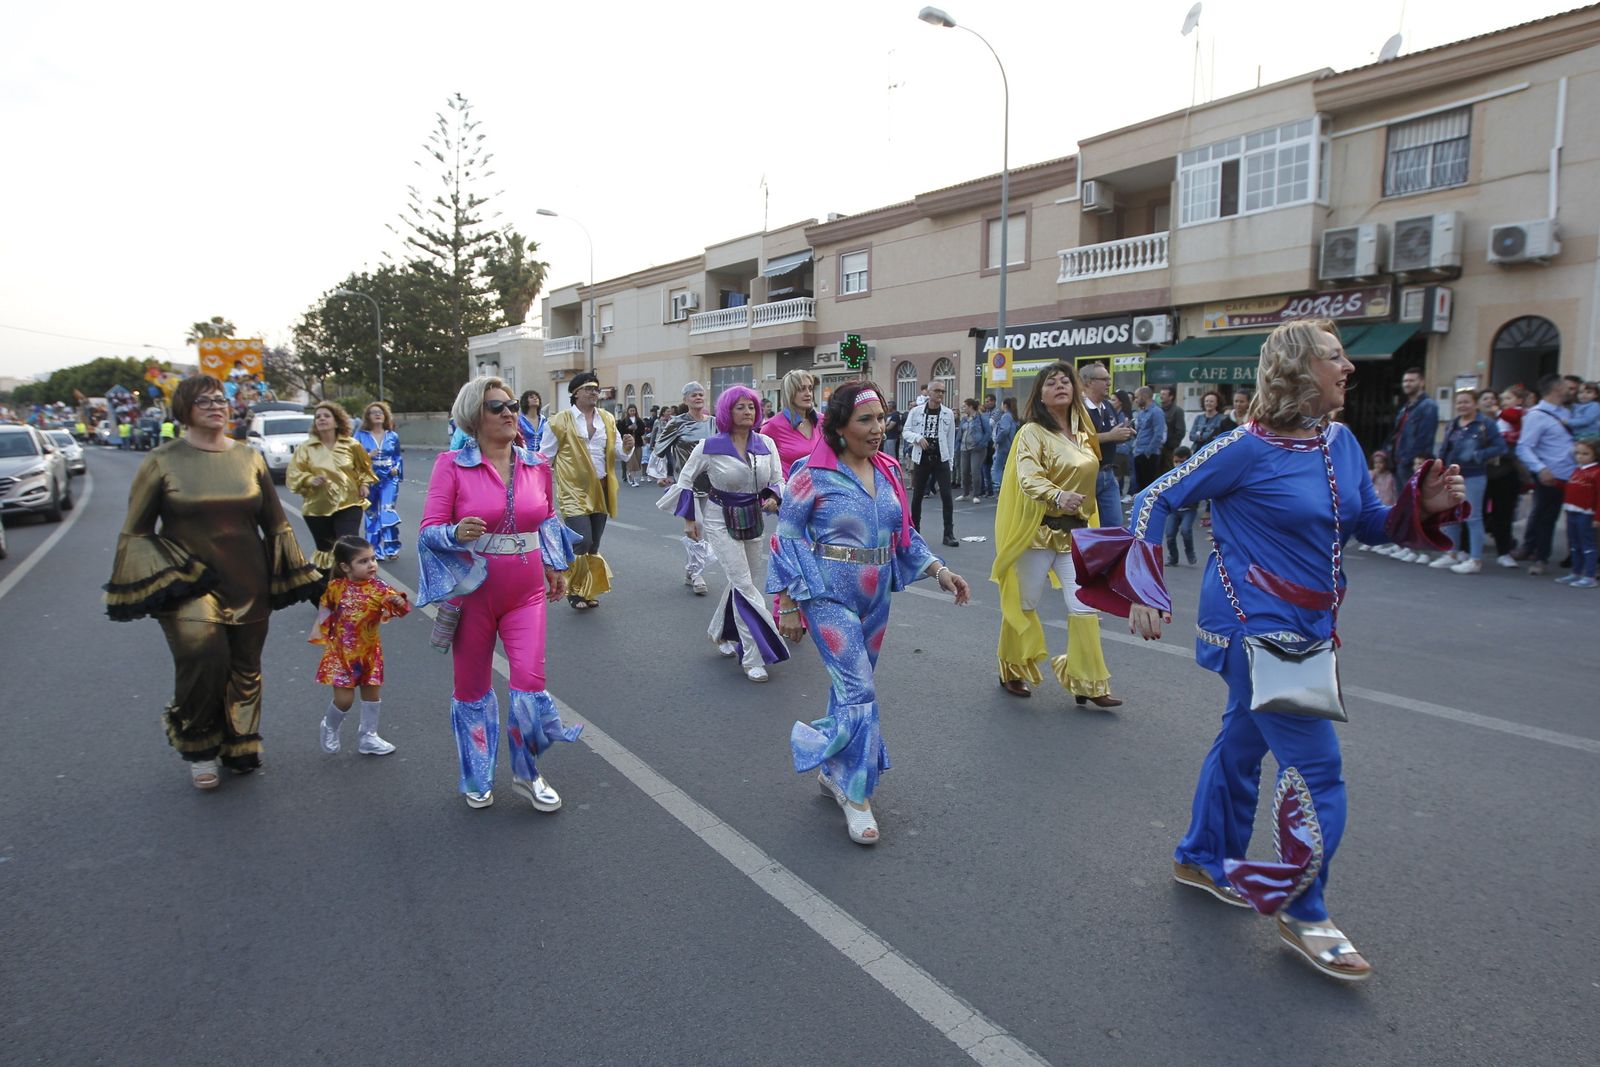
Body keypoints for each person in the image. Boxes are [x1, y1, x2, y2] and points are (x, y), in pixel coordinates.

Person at [1074, 319, 1465, 983]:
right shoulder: (1243, 449)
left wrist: (1415, 508)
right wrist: (1142, 584)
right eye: (1335, 358)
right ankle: (1304, 910)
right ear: (1296, 370)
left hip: (1310, 626)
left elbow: (1364, 523)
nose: (1349, 369)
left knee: (1241, 744)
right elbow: (1154, 499)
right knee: (1319, 771)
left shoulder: (1339, 441)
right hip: (1259, 631)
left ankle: (1201, 855)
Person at [769, 381, 971, 845]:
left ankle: (833, 769)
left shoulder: (889, 470)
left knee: (849, 690)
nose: (879, 429)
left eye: (882, 419)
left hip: (877, 596)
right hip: (826, 594)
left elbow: (906, 535)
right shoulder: (810, 473)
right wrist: (789, 603)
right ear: (839, 426)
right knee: (860, 689)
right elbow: (787, 537)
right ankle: (856, 794)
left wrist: (940, 570)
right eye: (866, 420)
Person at [103, 375, 320, 788]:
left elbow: (275, 524)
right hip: (190, 582)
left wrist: (296, 576)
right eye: (204, 401)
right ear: (184, 409)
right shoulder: (161, 460)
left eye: (221, 399)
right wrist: (167, 575)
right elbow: (137, 531)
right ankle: (200, 746)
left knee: (245, 666)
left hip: (248, 577)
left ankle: (240, 744)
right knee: (203, 658)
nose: (216, 406)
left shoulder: (248, 457)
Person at [419, 377, 583, 810]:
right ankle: (476, 773)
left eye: (512, 404)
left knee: (530, 685)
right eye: (497, 407)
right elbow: (428, 531)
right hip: (473, 593)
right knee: (471, 689)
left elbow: (547, 519)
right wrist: (454, 532)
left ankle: (528, 773)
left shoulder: (536, 465)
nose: (510, 411)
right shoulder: (451, 465)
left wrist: (554, 566)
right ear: (474, 416)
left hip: (526, 591)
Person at [991, 361, 1120, 706]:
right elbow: (1027, 477)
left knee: (1084, 606)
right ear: (1041, 395)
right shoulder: (1031, 433)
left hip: (1075, 536)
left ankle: (1087, 682)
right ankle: (1013, 670)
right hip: (1038, 533)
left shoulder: (1083, 431)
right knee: (1026, 602)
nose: (1060, 385)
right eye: (1052, 383)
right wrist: (1058, 495)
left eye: (1066, 380)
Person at [660, 386, 788, 682]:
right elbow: (685, 481)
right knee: (744, 585)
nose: (747, 412)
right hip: (719, 518)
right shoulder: (709, 445)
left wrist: (774, 497)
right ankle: (754, 653)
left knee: (741, 581)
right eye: (740, 407)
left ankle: (720, 632)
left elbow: (779, 479)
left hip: (753, 517)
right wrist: (690, 518)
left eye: (752, 407)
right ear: (727, 412)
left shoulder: (766, 443)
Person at [537, 372, 634, 609]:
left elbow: (619, 452)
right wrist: (535, 489)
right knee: (582, 540)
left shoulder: (607, 419)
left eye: (596, 389)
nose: (594, 392)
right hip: (573, 492)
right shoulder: (559, 421)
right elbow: (544, 457)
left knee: (594, 544)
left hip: (601, 489)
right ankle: (574, 591)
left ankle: (588, 590)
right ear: (575, 393)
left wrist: (628, 447)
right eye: (588, 388)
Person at [311, 535, 410, 755]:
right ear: (345, 567)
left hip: (369, 654)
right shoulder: (336, 587)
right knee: (344, 700)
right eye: (363, 561)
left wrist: (399, 602)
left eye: (373, 559)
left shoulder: (380, 588)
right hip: (342, 655)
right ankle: (329, 725)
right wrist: (326, 633)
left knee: (372, 697)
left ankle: (369, 737)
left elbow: (400, 608)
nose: (372, 564)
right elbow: (325, 610)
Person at [287, 402, 377, 575]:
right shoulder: (305, 448)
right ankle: (327, 591)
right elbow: (293, 474)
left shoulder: (351, 445)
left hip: (349, 504)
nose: (321, 419)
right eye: (318, 417)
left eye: (326, 416)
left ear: (337, 421)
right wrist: (309, 479)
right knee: (326, 550)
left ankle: (355, 592)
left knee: (347, 547)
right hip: (317, 508)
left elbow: (364, 468)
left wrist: (364, 484)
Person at [648, 382, 717, 594]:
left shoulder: (714, 423)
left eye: (701, 395)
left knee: (704, 528)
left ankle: (691, 569)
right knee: (697, 525)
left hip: (711, 483)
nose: (698, 398)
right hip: (687, 484)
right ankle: (697, 574)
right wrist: (659, 474)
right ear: (685, 400)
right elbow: (658, 449)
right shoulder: (677, 423)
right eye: (694, 395)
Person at [1430, 389, 1507, 574]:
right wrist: (1439, 469)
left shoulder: (1485, 424)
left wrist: (1479, 455)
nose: (1462, 406)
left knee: (1473, 517)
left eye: (1466, 402)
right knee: (1451, 515)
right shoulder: (1453, 425)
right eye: (1459, 402)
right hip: (1452, 474)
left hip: (1474, 475)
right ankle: (1452, 553)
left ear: (1475, 404)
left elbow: (1500, 447)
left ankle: (1475, 559)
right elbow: (1444, 448)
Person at [1515, 374, 1577, 576]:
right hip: (1552, 475)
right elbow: (1524, 447)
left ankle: (1578, 559)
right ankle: (1541, 557)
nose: (1569, 389)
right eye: (1564, 386)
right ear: (1555, 389)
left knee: (1577, 517)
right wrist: (1540, 469)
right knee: (1546, 517)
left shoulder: (1566, 412)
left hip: (1574, 474)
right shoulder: (1536, 415)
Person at [905, 382, 959, 548]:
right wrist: (917, 438)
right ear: (928, 392)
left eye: (943, 391)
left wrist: (950, 463)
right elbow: (905, 431)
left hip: (941, 457)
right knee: (917, 496)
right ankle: (915, 533)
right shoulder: (916, 412)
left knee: (947, 496)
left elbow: (950, 440)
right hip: (922, 457)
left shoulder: (948, 413)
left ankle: (948, 534)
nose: (940, 394)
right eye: (937, 391)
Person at [1081, 364, 1135, 529]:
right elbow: (1076, 440)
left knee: (1114, 528)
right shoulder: (1078, 409)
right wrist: (1111, 436)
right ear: (1089, 382)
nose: (1109, 383)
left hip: (1108, 474)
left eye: (1109, 379)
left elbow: (1110, 436)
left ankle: (1108, 555)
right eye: (1104, 379)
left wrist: (1122, 435)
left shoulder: (1108, 406)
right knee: (1082, 528)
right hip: (1086, 476)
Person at [355, 401, 404, 561]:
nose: (377, 414)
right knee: (372, 515)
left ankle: (391, 548)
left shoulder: (392, 435)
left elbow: (397, 456)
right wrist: (368, 457)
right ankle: (373, 550)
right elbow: (352, 458)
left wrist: (396, 467)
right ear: (368, 417)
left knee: (387, 511)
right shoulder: (360, 436)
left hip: (389, 478)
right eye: (373, 412)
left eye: (380, 412)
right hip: (369, 479)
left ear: (385, 416)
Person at [1556, 438, 1599, 587]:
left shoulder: (1596, 472)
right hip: (1571, 511)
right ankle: (1576, 572)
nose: (1580, 456)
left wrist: (1597, 517)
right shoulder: (1577, 470)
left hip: (1586, 513)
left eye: (1585, 453)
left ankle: (1590, 575)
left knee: (1588, 545)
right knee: (1574, 544)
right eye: (1578, 453)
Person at [760, 369, 820, 473]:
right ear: (790, 393)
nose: (808, 394)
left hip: (823, 487)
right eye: (802, 389)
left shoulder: (823, 421)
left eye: (810, 389)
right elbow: (762, 469)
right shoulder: (772, 427)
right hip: (788, 487)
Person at [1164, 446, 1199, 565]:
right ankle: (1173, 557)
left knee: (1185, 530)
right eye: (1176, 461)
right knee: (1169, 534)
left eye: (1182, 461)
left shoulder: (1195, 475)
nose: (1178, 464)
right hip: (1174, 510)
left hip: (1189, 509)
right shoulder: (1170, 475)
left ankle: (1190, 552)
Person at [1130, 386, 1167, 492]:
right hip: (1138, 451)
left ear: (1144, 396)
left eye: (1137, 397)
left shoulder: (1156, 412)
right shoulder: (1141, 412)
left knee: (1149, 487)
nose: (1135, 400)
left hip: (1149, 454)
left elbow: (1158, 434)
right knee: (1140, 486)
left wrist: (1148, 453)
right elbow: (1142, 432)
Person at [957, 398, 991, 502]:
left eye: (965, 406)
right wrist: (957, 445)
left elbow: (988, 432)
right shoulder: (964, 419)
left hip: (976, 448)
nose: (964, 408)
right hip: (964, 448)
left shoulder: (981, 418)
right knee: (964, 471)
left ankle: (976, 495)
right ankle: (965, 493)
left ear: (971, 407)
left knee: (975, 470)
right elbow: (960, 433)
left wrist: (981, 444)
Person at [989, 396, 1018, 504]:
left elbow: (1004, 430)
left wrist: (997, 440)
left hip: (1003, 446)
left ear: (1005, 405)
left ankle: (999, 490)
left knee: (996, 468)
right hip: (1009, 446)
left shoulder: (1006, 416)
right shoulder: (1013, 417)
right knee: (1005, 469)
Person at [616, 403, 648, 486]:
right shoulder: (624, 421)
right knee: (631, 460)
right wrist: (629, 429)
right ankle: (633, 479)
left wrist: (636, 429)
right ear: (628, 411)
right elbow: (621, 431)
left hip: (637, 442)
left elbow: (642, 431)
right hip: (628, 443)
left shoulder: (639, 420)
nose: (632, 412)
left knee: (638, 459)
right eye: (631, 410)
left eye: (634, 410)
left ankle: (630, 474)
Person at [1159, 385, 1186, 473]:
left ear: (1171, 397)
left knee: (1169, 471)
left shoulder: (1177, 411)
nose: (1161, 396)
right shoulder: (1158, 410)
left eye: (1164, 394)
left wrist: (1170, 445)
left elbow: (1180, 431)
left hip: (1170, 450)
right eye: (1161, 394)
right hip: (1158, 448)